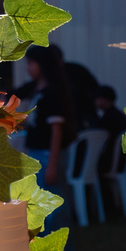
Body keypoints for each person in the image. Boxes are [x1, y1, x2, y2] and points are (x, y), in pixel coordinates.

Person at [18, 44, 77, 187]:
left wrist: (52, 165)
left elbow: (56, 130)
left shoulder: (51, 93)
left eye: (31, 63)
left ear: (42, 64)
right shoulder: (37, 90)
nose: (28, 68)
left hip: (46, 154)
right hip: (36, 151)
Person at [92, 85, 126, 176]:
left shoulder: (108, 118)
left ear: (103, 99)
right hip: (125, 161)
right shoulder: (120, 115)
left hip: (113, 161)